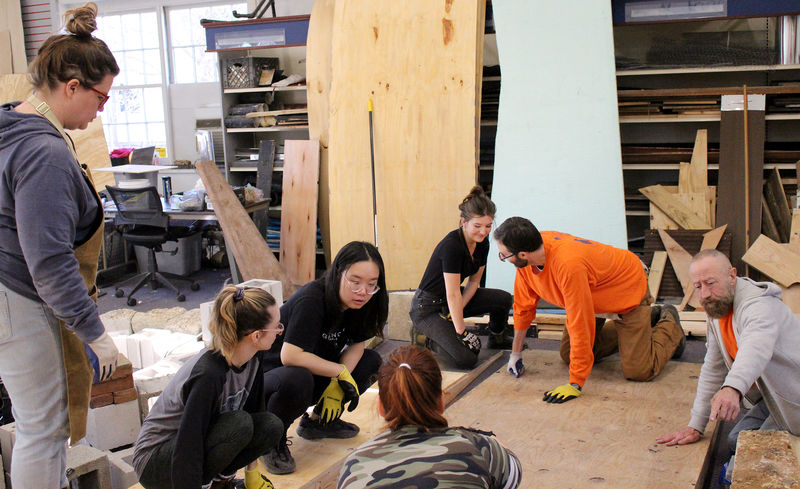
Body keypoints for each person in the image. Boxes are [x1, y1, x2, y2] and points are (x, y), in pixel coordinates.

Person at [0, 4, 121, 488]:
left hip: (11, 293)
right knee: (43, 430)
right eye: (101, 97)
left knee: (41, 428)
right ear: (72, 86)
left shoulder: (14, 124)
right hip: (21, 298)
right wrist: (94, 332)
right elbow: (49, 260)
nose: (100, 110)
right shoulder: (42, 151)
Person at [493, 217, 685, 403]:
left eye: (504, 255)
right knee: (569, 355)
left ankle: (667, 321)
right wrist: (516, 354)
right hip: (593, 297)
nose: (504, 258)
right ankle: (644, 324)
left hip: (625, 290)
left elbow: (580, 322)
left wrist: (575, 383)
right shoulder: (528, 258)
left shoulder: (568, 265)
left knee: (639, 371)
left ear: (523, 254)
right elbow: (523, 308)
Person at [133, 286, 284, 489]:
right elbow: (189, 444)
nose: (279, 332)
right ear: (256, 335)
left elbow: (257, 414)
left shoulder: (254, 357)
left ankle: (222, 483)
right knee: (239, 424)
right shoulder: (209, 374)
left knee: (270, 425)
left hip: (192, 448)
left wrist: (252, 474)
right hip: (156, 460)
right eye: (277, 327)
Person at [258, 241, 388, 475]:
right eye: (355, 282)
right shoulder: (313, 299)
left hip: (309, 370)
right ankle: (270, 440)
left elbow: (358, 344)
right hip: (273, 380)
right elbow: (290, 356)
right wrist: (339, 373)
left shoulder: (363, 302)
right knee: (298, 377)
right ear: (338, 272)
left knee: (369, 362)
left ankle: (320, 421)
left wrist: (339, 387)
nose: (363, 292)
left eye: (372, 285)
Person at [657, 249, 800, 451]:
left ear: (732, 275)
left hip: (795, 395)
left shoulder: (759, 307)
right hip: (774, 396)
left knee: (749, 455)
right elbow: (713, 369)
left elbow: (755, 348)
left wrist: (732, 388)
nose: (704, 294)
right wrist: (696, 425)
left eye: (710, 283)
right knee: (735, 441)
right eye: (698, 286)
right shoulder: (719, 310)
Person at [337, 345, 522, 488]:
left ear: (381, 407)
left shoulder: (354, 465)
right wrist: (488, 439)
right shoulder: (480, 448)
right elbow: (513, 476)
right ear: (441, 401)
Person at [410, 186, 513, 370]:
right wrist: (461, 332)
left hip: (452, 299)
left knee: (503, 299)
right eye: (477, 226)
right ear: (463, 222)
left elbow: (474, 282)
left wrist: (455, 313)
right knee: (467, 359)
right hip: (428, 307)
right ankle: (429, 339)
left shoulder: (482, 243)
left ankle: (497, 338)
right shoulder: (452, 246)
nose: (483, 232)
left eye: (488, 226)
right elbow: (452, 294)